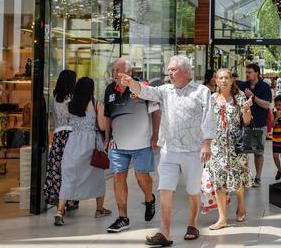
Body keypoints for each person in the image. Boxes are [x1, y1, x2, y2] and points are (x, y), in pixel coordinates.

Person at [120, 55, 216, 246]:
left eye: (173, 69)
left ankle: (192, 224)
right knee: (165, 189)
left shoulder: (202, 91)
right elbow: (146, 92)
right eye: (169, 69)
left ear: (187, 71)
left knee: (193, 191)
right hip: (170, 149)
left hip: (193, 150)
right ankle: (164, 233)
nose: (169, 73)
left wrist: (207, 144)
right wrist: (132, 83)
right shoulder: (165, 90)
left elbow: (209, 118)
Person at [104, 58, 161, 233]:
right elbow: (108, 115)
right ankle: (123, 217)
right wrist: (107, 137)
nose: (114, 74)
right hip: (117, 144)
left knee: (141, 177)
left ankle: (149, 199)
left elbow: (156, 111)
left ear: (128, 73)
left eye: (118, 70)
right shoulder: (109, 90)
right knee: (118, 177)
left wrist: (155, 136)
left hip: (142, 143)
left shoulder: (142, 87)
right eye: (113, 70)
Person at [54, 77, 111, 226]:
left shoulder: (70, 105)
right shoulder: (97, 104)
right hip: (91, 144)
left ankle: (60, 211)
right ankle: (99, 209)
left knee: (69, 176)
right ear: (92, 89)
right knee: (97, 176)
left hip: (73, 142)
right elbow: (103, 127)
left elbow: (65, 121)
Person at [207, 68, 253, 230]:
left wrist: (247, 109)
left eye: (226, 78)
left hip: (235, 144)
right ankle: (222, 218)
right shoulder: (211, 99)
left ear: (232, 80)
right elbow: (206, 123)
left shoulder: (239, 98)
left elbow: (246, 122)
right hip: (217, 145)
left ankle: (241, 203)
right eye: (220, 78)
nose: (224, 81)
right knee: (218, 180)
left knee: (237, 179)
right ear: (216, 81)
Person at [44, 69, 77, 208]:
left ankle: (57, 198)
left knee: (56, 167)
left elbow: (54, 118)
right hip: (71, 135)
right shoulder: (73, 97)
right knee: (71, 169)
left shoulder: (55, 96)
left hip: (58, 136)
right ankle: (70, 200)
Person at [238, 63, 272, 187]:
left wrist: (253, 97)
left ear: (257, 73)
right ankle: (244, 176)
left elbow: (267, 105)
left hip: (259, 124)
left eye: (250, 72)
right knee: (242, 152)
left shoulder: (264, 87)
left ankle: (258, 177)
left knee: (258, 152)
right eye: (246, 72)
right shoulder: (242, 85)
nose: (247, 74)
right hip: (243, 124)